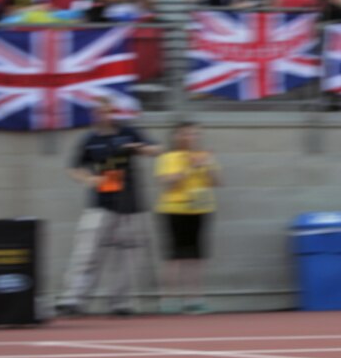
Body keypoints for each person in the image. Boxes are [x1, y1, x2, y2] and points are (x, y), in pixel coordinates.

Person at [56, 98, 161, 316]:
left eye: (107, 112)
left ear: (112, 112)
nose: (104, 116)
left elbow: (156, 149)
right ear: (94, 115)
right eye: (99, 112)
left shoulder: (128, 131)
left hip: (130, 202)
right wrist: (89, 179)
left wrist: (140, 149)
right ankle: (73, 298)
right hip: (101, 203)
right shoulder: (90, 139)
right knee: (87, 252)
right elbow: (74, 168)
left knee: (126, 256)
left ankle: (120, 302)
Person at [155, 121, 220, 314]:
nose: (191, 138)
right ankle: (168, 300)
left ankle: (195, 299)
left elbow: (217, 182)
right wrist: (188, 167)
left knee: (197, 257)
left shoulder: (205, 156)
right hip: (175, 209)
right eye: (186, 134)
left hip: (201, 209)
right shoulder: (169, 157)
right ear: (177, 136)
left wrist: (208, 166)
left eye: (194, 134)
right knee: (173, 257)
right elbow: (165, 182)